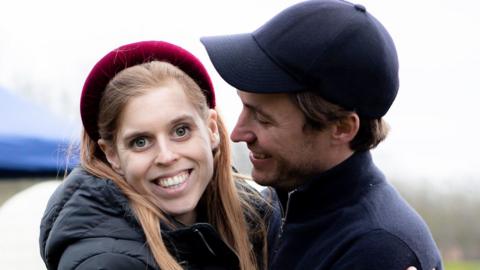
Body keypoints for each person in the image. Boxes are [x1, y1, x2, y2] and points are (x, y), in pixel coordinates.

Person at [200, 0, 443, 269]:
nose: (237, 133)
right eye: (244, 106)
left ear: (341, 128)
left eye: (263, 119)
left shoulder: (377, 250)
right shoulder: (284, 204)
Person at [39, 41, 278, 270]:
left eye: (181, 131)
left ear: (212, 129)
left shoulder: (260, 221)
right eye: (140, 142)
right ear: (111, 154)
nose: (166, 156)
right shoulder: (104, 263)